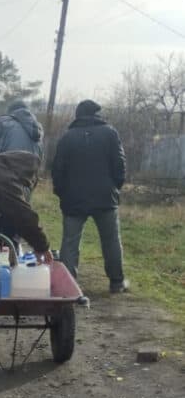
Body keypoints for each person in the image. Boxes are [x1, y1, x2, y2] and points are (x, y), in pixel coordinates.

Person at [52, 99, 128, 292]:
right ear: (96, 114)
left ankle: (68, 286)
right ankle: (117, 282)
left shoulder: (67, 137)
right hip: (105, 197)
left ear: (78, 115)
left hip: (73, 198)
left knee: (70, 242)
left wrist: (62, 193)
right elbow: (120, 166)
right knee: (111, 240)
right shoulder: (110, 133)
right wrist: (115, 188)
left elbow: (57, 169)